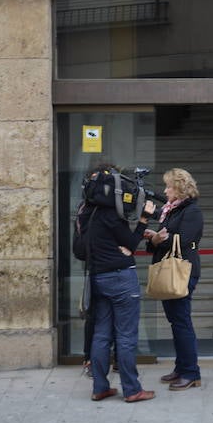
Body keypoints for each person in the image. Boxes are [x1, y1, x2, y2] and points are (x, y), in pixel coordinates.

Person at [88, 169, 157, 403]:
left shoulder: (89, 214)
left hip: (99, 278)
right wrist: (145, 218)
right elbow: (129, 242)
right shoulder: (110, 215)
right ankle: (132, 389)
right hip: (120, 278)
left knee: (101, 335)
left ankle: (100, 387)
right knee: (126, 336)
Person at [144, 168, 204, 391]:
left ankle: (191, 373)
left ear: (180, 188)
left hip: (182, 271)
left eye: (169, 186)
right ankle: (181, 368)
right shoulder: (169, 211)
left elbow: (186, 240)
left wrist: (160, 239)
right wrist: (155, 238)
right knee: (176, 321)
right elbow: (156, 242)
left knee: (181, 322)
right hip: (169, 268)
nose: (165, 190)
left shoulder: (192, 211)